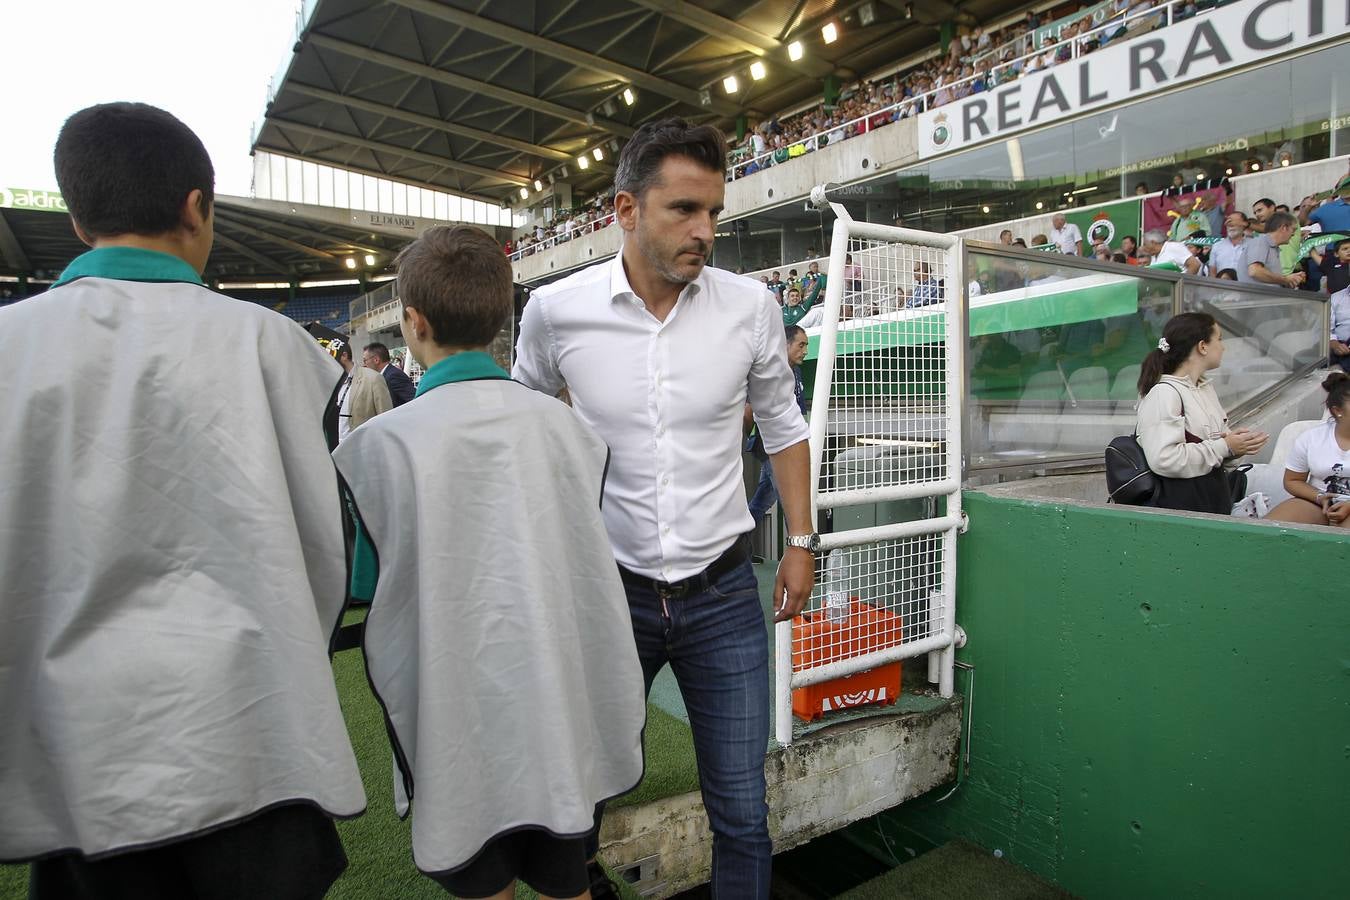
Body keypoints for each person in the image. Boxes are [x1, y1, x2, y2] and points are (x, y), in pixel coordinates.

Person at [0, 102, 364, 898]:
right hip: (253, 733)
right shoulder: (278, 346)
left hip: (77, 760)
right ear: (197, 206)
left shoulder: (9, 347)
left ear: (74, 217)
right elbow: (322, 545)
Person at [513, 118, 814, 899]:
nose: (704, 231)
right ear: (625, 210)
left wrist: (803, 540)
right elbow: (523, 419)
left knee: (743, 813)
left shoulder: (750, 309)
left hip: (722, 595)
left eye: (714, 212)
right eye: (684, 210)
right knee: (578, 800)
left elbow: (784, 427)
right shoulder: (554, 312)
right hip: (607, 594)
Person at [334, 225, 645, 900]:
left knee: (483, 881)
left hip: (454, 711)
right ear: (503, 318)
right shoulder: (569, 430)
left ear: (412, 323)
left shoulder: (378, 448)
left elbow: (366, 587)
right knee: (570, 883)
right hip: (554, 702)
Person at [1135, 313, 1268, 514]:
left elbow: (1216, 448)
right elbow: (1164, 459)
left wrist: (1235, 448)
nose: (1223, 347)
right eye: (1219, 339)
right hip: (1180, 511)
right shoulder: (1164, 393)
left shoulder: (1205, 388)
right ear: (1202, 346)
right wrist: (1225, 446)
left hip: (1210, 502)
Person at [1262, 372, 1350, 527]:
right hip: (1319, 504)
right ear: (1337, 411)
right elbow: (1293, 480)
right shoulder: (1312, 438)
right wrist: (1321, 497)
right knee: (1271, 529)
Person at [748, 325, 811, 528]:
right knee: (792, 505)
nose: (805, 351)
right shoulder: (769, 373)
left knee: (760, 503)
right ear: (786, 344)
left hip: (788, 448)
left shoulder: (796, 372)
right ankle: (798, 550)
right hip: (775, 450)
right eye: (801, 345)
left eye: (806, 345)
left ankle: (739, 545)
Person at [335, 341, 393, 441]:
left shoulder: (373, 378)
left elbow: (386, 418)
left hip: (364, 447)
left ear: (344, 356)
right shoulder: (333, 383)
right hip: (336, 449)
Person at [1240, 211, 1305, 288]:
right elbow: (1255, 271)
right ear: (1284, 228)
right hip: (1257, 298)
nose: (1293, 234)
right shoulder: (1261, 242)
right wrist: (1285, 279)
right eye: (1293, 230)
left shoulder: (1274, 249)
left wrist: (1290, 279)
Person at [363, 341, 415, 406]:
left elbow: (413, 400)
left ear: (376, 360)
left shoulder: (394, 376)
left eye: (365, 360)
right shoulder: (382, 376)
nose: (364, 364)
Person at [1210, 212, 1250, 279]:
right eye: (1229, 223)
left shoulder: (1253, 245)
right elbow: (1212, 271)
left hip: (1245, 286)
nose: (1230, 223)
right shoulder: (1217, 246)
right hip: (1222, 286)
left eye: (1233, 222)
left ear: (1244, 223)